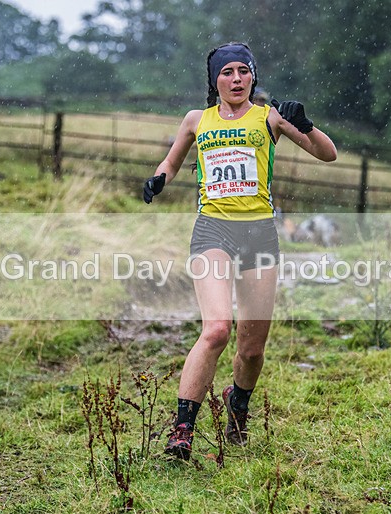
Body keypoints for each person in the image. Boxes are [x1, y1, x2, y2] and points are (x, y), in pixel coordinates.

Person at [142, 42, 337, 459]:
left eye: (243, 72)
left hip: (259, 236)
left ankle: (238, 402)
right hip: (213, 231)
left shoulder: (271, 118)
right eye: (227, 72)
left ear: (253, 77)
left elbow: (328, 154)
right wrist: (158, 179)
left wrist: (307, 124)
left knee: (251, 350)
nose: (236, 79)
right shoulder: (198, 120)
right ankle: (182, 431)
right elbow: (173, 161)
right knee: (216, 330)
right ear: (215, 79)